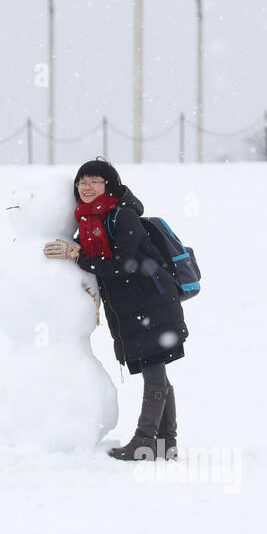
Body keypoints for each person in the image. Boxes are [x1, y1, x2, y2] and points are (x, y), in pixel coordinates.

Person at [44, 159, 187, 461]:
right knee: (155, 367)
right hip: (133, 305)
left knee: (153, 368)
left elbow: (122, 266)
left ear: (108, 185)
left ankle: (146, 441)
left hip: (152, 302)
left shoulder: (122, 217)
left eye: (94, 181)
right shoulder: (87, 219)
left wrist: (78, 255)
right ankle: (166, 443)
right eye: (82, 181)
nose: (87, 187)